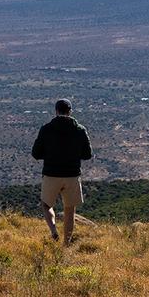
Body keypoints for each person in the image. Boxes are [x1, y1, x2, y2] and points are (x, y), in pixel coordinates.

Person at [31, 98, 92, 244]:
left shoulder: (46, 129)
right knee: (69, 210)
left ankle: (53, 230)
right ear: (70, 112)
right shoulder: (80, 130)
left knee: (46, 204)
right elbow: (87, 154)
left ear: (56, 111)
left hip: (51, 174)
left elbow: (36, 153)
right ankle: (66, 243)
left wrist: (50, 155)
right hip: (72, 175)